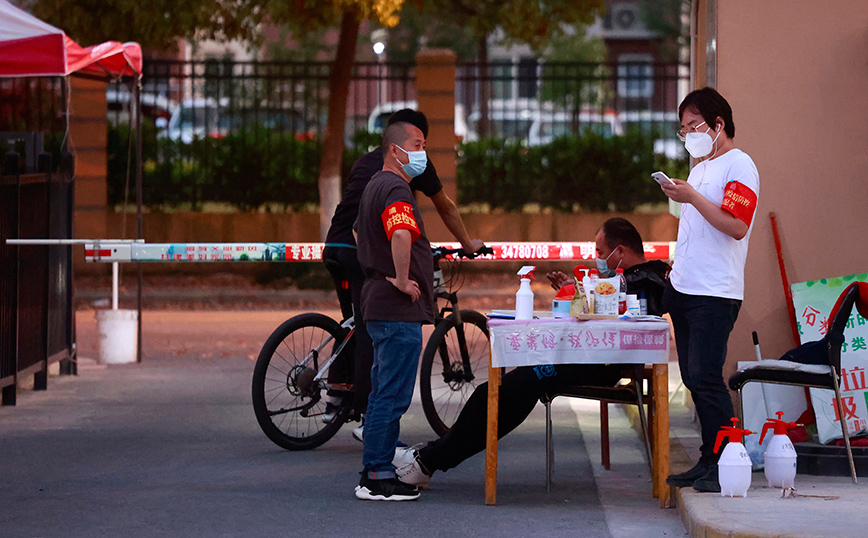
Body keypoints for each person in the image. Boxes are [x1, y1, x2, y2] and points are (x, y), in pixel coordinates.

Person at [391, 218, 670, 488]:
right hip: (579, 356)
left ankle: (428, 461)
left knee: (507, 391)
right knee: (503, 392)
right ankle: (430, 458)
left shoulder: (647, 282)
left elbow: (619, 315)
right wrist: (572, 293)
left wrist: (580, 294)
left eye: (600, 252)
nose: (596, 258)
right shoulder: (622, 281)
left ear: (620, 251)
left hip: (600, 364)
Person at [322, 109, 483, 434]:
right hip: (359, 250)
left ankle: (337, 394)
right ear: (402, 143)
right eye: (418, 143)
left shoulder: (369, 161)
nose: (422, 151)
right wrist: (466, 244)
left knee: (353, 321)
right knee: (371, 325)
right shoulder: (399, 175)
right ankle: (370, 416)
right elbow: (443, 208)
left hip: (334, 248)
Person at [659, 87, 759, 493]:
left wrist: (693, 197)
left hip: (715, 293)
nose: (689, 135)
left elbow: (737, 226)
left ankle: (729, 459)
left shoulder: (740, 165)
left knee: (705, 376)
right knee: (692, 375)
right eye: (683, 129)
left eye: (694, 125)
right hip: (685, 288)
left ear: (718, 124)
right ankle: (710, 458)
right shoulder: (700, 168)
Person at [353, 121, 435, 501]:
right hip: (395, 307)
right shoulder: (395, 187)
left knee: (382, 391)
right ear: (395, 150)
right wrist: (401, 279)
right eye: (417, 145)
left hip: (376, 302)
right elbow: (401, 232)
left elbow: (358, 232)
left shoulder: (373, 186)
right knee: (392, 393)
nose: (423, 153)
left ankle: (375, 467)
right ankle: (377, 475)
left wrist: (378, 262)